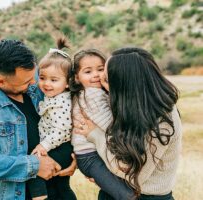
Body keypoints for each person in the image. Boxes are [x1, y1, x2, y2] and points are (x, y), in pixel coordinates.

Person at [0, 39, 76, 200]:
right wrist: (34, 166)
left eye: (35, 75)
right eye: (27, 82)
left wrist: (74, 158)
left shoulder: (36, 77)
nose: (35, 83)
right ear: (0, 81)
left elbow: (66, 118)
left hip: (60, 192)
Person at [75, 47, 182, 200]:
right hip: (114, 192)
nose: (102, 85)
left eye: (106, 80)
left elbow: (133, 173)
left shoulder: (162, 121)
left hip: (146, 196)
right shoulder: (129, 105)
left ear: (125, 85)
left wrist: (95, 136)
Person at [69, 49, 135, 200]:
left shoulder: (94, 92)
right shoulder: (92, 94)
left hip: (96, 153)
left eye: (100, 69)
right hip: (90, 156)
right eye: (88, 71)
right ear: (76, 78)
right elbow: (109, 126)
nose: (96, 75)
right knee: (126, 195)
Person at [27, 38, 76, 200]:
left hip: (60, 147)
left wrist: (43, 145)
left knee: (35, 172)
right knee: (61, 184)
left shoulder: (62, 102)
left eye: (54, 80)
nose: (46, 84)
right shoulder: (53, 96)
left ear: (68, 83)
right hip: (58, 146)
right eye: (42, 78)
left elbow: (62, 131)